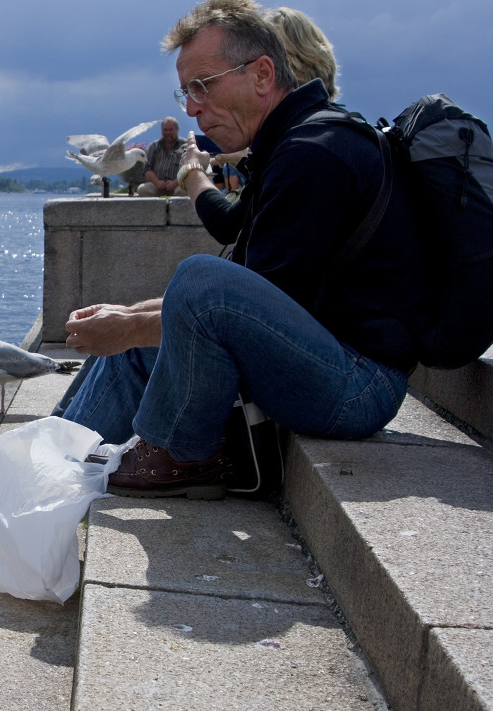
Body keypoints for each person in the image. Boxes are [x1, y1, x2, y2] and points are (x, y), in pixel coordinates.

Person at [58, 0, 426, 500]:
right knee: (136, 345)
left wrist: (130, 325)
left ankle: (181, 454)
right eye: (185, 91)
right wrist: (129, 318)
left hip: (359, 386)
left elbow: (235, 301)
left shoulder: (315, 153)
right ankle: (50, 462)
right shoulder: (290, 142)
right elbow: (250, 289)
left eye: (202, 86)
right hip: (322, 359)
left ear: (261, 74)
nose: (190, 108)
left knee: (197, 280)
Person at [189, 5, 339, 243]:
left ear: (266, 71)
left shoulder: (299, 151)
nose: (191, 108)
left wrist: (192, 173)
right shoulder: (329, 131)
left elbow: (228, 224)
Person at [136, 117, 189, 196]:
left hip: (179, 184)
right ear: (161, 131)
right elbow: (147, 168)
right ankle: (154, 208)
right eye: (165, 130)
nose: (168, 132)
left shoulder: (185, 146)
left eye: (171, 130)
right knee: (142, 189)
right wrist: (157, 182)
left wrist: (175, 182)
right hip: (157, 185)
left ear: (177, 130)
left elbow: (189, 168)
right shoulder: (154, 146)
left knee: (183, 192)